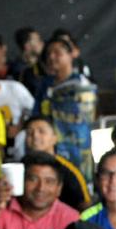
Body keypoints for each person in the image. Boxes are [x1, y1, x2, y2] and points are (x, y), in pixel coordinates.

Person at [34, 37, 97, 181]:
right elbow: (36, 114)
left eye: (57, 53)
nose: (51, 57)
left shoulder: (81, 85)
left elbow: (84, 116)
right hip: (49, 150)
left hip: (76, 150)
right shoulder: (45, 85)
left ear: (71, 55)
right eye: (49, 53)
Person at [20, 115, 92, 211]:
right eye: (29, 133)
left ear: (54, 138)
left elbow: (85, 205)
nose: (35, 136)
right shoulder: (19, 167)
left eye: (41, 131)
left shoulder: (69, 170)